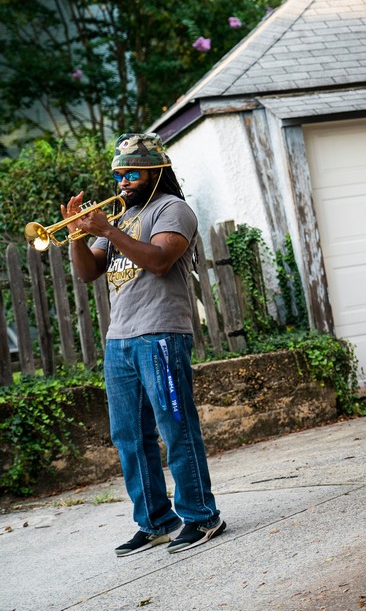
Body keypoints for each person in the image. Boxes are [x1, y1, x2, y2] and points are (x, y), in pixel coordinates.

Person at [65, 133, 226, 557]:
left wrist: (107, 230)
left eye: (132, 173)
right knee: (129, 435)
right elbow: (88, 273)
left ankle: (202, 515)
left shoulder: (173, 210)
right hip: (120, 340)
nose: (122, 182)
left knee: (176, 426)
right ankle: (155, 521)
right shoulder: (117, 218)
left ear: (157, 172)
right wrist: (79, 236)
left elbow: (158, 261)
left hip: (161, 335)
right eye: (119, 174)